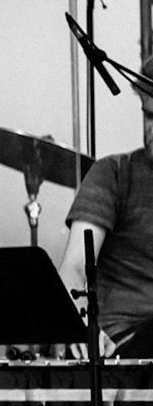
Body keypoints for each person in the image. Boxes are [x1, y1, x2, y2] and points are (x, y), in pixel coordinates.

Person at [61, 71, 153, 357]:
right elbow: (74, 268)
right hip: (123, 340)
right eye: (149, 116)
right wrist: (82, 324)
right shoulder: (114, 173)